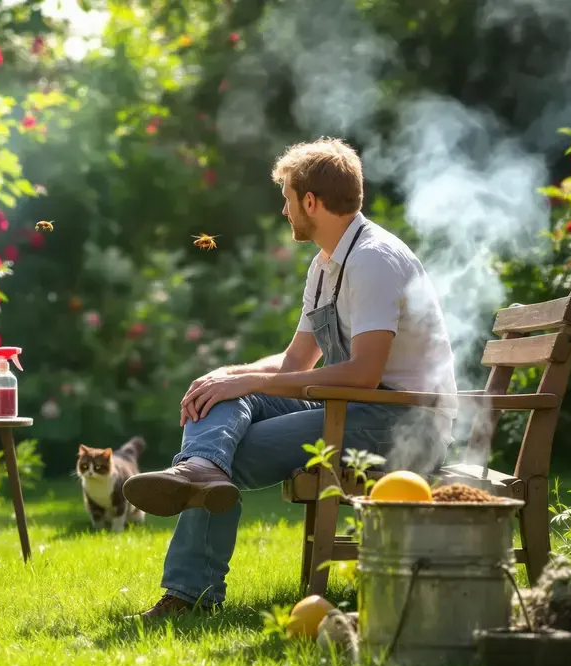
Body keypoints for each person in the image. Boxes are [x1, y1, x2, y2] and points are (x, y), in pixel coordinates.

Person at [121, 137, 458, 619]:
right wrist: (226, 376)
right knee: (216, 404)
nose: (283, 210)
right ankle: (200, 469)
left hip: (404, 421)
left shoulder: (373, 260)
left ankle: (189, 594)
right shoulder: (325, 264)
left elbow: (364, 374)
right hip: (353, 408)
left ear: (310, 201)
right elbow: (295, 362)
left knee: (226, 454)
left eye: (286, 198)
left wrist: (249, 384)